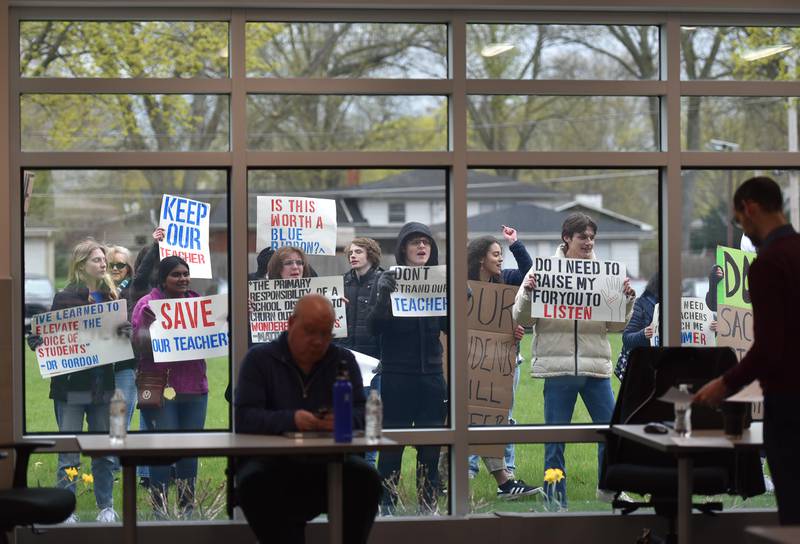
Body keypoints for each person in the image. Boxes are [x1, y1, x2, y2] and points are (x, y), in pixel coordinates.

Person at [694, 176, 800, 525]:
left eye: (740, 221)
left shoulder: (768, 264)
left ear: (749, 208)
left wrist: (723, 384)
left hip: (788, 405)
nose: (744, 230)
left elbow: (768, 348)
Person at [234, 294, 381, 544]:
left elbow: (362, 412)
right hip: (272, 464)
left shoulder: (342, 360)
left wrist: (341, 421)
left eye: (325, 334)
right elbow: (244, 417)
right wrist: (292, 420)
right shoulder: (260, 360)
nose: (318, 341)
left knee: (366, 479)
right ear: (291, 324)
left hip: (330, 462)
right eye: (310, 331)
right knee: (253, 483)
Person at [513, 212, 635, 508]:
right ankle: (555, 497)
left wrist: (627, 300)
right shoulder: (542, 272)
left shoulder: (607, 275)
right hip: (558, 369)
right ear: (566, 238)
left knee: (611, 432)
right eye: (583, 236)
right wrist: (529, 294)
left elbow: (616, 327)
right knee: (555, 439)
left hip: (595, 368)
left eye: (592, 237)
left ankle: (610, 489)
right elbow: (522, 318)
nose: (589, 242)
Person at [27, 239, 120, 523]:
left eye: (103, 259)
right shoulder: (64, 298)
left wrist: (124, 333)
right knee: (69, 450)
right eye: (96, 260)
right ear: (81, 265)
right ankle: (66, 509)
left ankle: (106, 507)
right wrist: (38, 340)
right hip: (72, 388)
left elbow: (118, 336)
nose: (103, 264)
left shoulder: (112, 296)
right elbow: (52, 337)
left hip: (102, 387)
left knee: (103, 450)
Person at [367, 222, 448, 515]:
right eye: (415, 243)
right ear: (403, 249)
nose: (422, 247)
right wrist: (384, 299)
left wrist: (460, 301)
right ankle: (385, 506)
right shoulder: (387, 280)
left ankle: (428, 506)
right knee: (391, 447)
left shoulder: (440, 280)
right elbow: (374, 328)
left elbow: (448, 327)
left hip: (432, 377)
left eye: (426, 242)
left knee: (430, 448)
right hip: (397, 377)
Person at [131, 256, 209, 517]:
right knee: (161, 451)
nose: (183, 278)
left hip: (194, 387)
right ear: (163, 279)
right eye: (176, 274)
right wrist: (147, 323)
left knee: (189, 452)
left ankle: (187, 508)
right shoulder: (146, 305)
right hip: (159, 388)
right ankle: (160, 510)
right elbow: (137, 347)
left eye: (186, 273)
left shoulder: (198, 304)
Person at [466, 230, 541, 499]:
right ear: (480, 259)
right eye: (496, 254)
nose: (500, 259)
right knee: (469, 416)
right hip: (469, 365)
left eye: (501, 254)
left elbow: (529, 273)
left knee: (500, 416)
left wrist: (515, 244)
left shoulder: (507, 279)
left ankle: (506, 474)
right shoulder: (463, 285)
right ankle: (470, 473)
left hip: (503, 363)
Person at [106, 245, 138, 430]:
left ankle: (118, 459)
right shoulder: (94, 291)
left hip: (124, 365)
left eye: (121, 265)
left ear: (129, 269)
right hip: (97, 368)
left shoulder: (136, 291)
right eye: (112, 264)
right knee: (100, 424)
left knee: (119, 424)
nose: (116, 269)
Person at [615, 272, 659, 381]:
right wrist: (643, 334)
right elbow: (627, 338)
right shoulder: (640, 305)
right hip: (641, 369)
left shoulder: (677, 307)